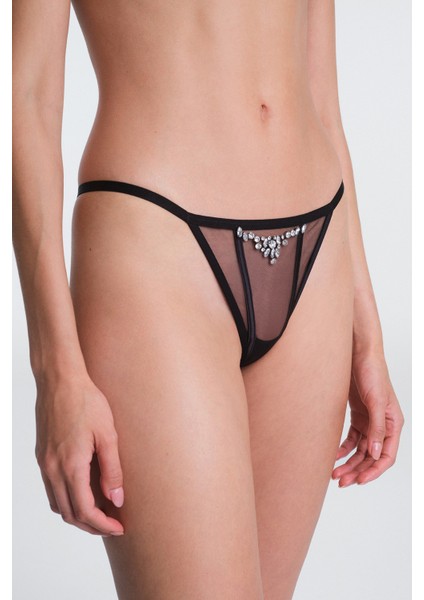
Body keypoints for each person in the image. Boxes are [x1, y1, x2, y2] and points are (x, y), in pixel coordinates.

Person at [12, 0, 405, 598]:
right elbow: (28, 99)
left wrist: (367, 334)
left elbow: (322, 96)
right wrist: (55, 374)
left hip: (318, 244)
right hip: (157, 240)